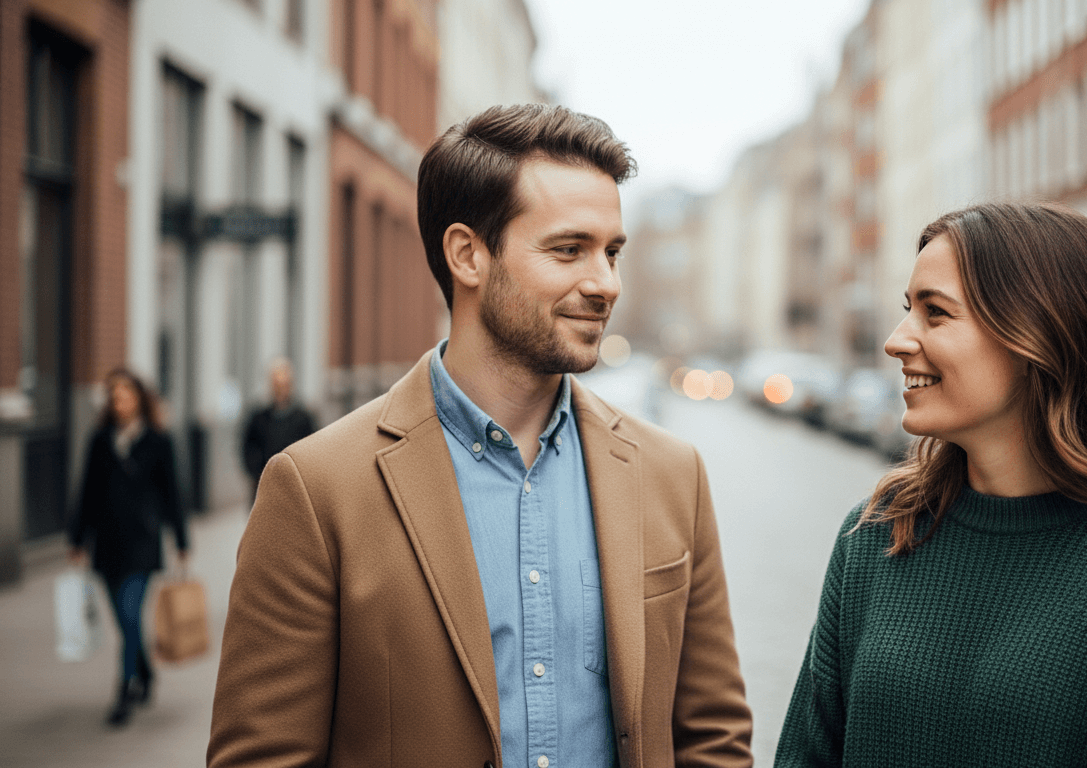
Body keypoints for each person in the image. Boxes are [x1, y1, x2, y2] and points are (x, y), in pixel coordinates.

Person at [208, 105, 752, 767]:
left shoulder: (672, 473)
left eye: (612, 252)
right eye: (568, 249)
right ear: (468, 255)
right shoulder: (317, 490)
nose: (605, 284)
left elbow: (714, 739)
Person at [775, 203, 1087, 767]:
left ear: (1037, 338)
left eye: (936, 313)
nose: (897, 341)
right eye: (909, 309)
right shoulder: (876, 534)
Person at [68, 368, 189, 727]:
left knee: (130, 613)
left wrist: (181, 541)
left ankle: (124, 690)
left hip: (141, 543)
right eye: (114, 396)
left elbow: (173, 495)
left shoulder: (157, 441)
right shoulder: (99, 440)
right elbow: (86, 491)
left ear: (138, 399)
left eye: (125, 395)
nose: (119, 402)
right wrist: (77, 539)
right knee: (124, 619)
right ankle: (146, 670)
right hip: (105, 544)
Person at [240, 357, 315, 496]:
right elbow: (248, 448)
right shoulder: (258, 417)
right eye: (276, 385)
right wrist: (257, 473)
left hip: (294, 489)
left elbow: (313, 452)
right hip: (263, 487)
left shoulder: (304, 418)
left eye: (284, 385)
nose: (280, 390)